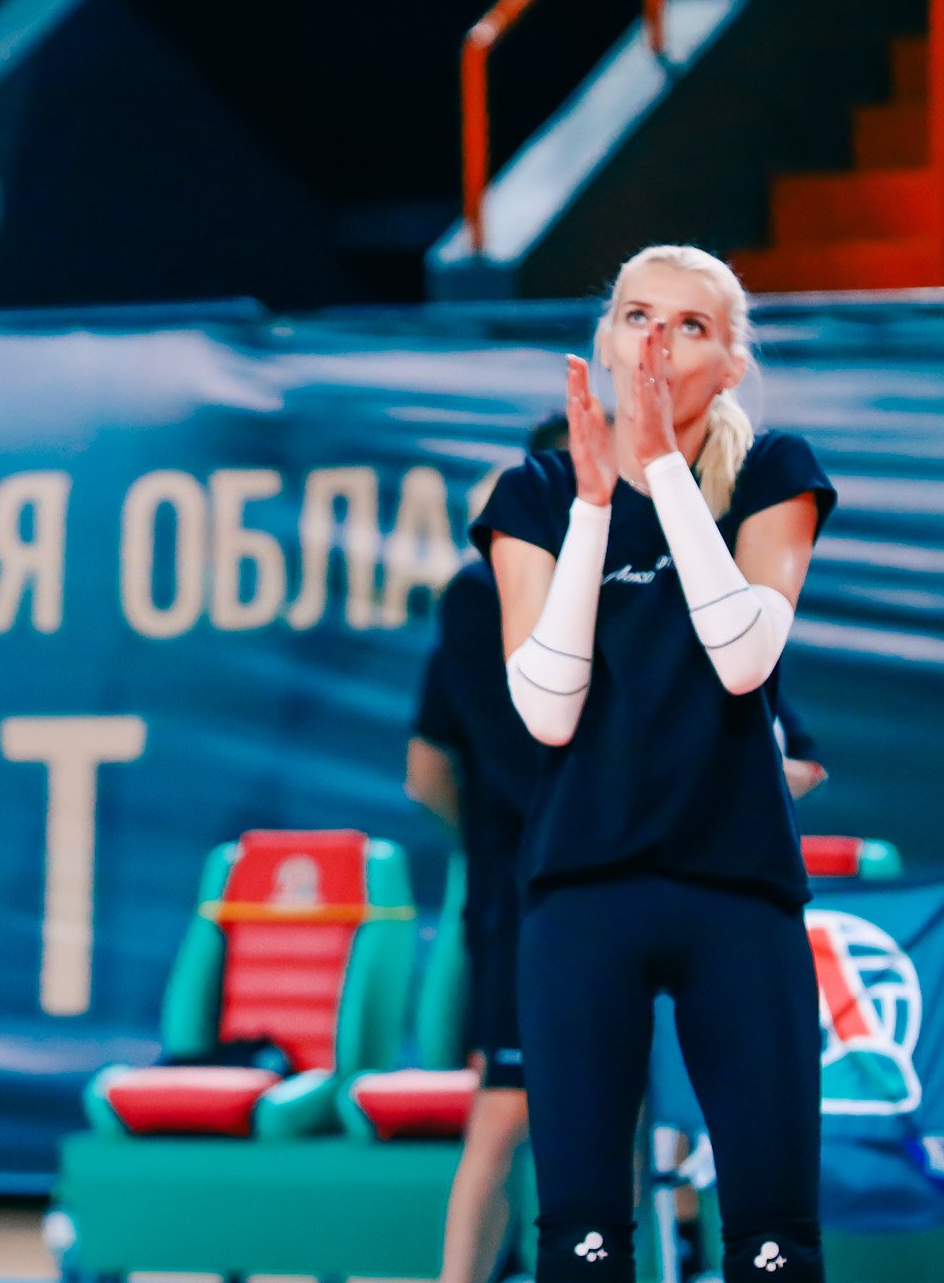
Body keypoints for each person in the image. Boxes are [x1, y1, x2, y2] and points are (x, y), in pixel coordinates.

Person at [477, 245, 833, 1283]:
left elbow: (743, 658)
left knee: (774, 1236)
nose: (657, 344)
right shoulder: (538, 493)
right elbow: (547, 712)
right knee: (583, 1234)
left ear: (730, 364)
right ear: (604, 338)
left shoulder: (774, 471)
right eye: (637, 317)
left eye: (689, 326)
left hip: (738, 886)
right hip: (583, 888)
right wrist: (595, 508)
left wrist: (663, 469)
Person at [406, 416, 564, 1283]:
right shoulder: (486, 599)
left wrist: (482, 845)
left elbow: (425, 773)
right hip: (535, 902)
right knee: (510, 1110)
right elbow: (427, 773)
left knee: (595, 1111)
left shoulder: (472, 598)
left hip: (529, 894)